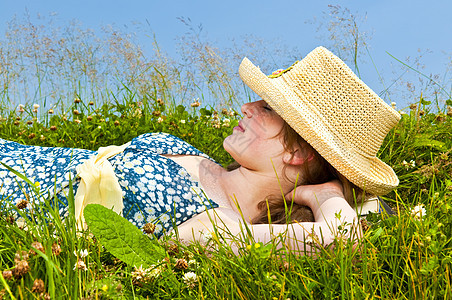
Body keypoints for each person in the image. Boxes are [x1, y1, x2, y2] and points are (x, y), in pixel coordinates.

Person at [0, 47, 400, 252]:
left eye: (268, 108)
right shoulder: (192, 153)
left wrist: (325, 193)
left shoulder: (221, 226)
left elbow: (341, 241)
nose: (247, 106)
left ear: (301, 153)